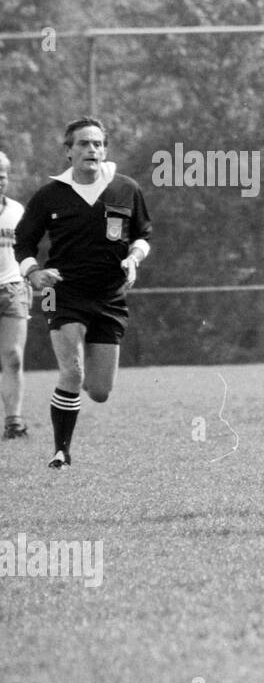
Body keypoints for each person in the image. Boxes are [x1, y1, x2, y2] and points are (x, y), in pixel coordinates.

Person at [14, 118, 152, 469]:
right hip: (61, 292)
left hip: (110, 295)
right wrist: (33, 271)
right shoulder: (49, 195)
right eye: (83, 144)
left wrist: (134, 259)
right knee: (72, 373)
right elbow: (24, 242)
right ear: (68, 151)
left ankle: (68, 408)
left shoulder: (125, 188)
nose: (92, 150)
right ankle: (61, 452)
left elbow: (142, 237)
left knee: (100, 391)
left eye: (98, 144)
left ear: (105, 148)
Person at [0, 151, 31, 440]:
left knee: (13, 356)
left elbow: (26, 249)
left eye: (2, 175)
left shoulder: (17, 211)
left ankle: (14, 422)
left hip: (12, 290)